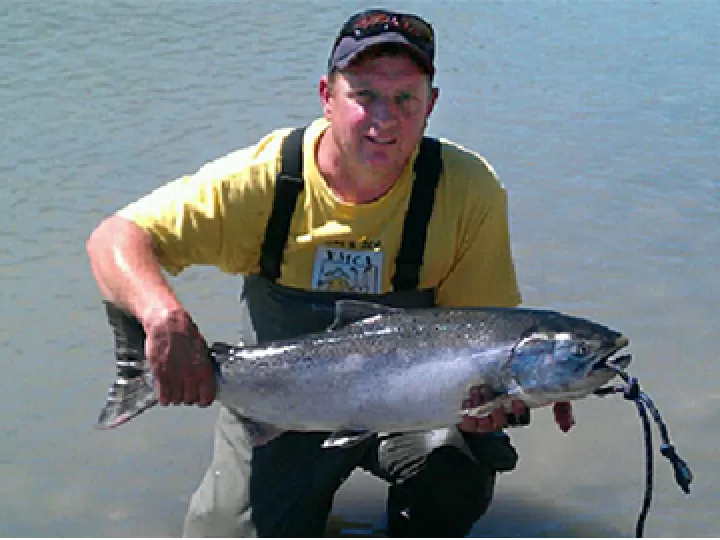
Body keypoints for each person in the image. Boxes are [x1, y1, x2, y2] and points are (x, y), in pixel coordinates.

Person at [86, 8, 575, 537]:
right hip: (279, 406)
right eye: (363, 95)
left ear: (431, 105)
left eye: (404, 98)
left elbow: (487, 334)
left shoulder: (466, 189)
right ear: (327, 95)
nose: (383, 120)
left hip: (410, 416)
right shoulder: (265, 181)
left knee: (457, 471)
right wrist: (162, 319)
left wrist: (508, 401)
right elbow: (114, 238)